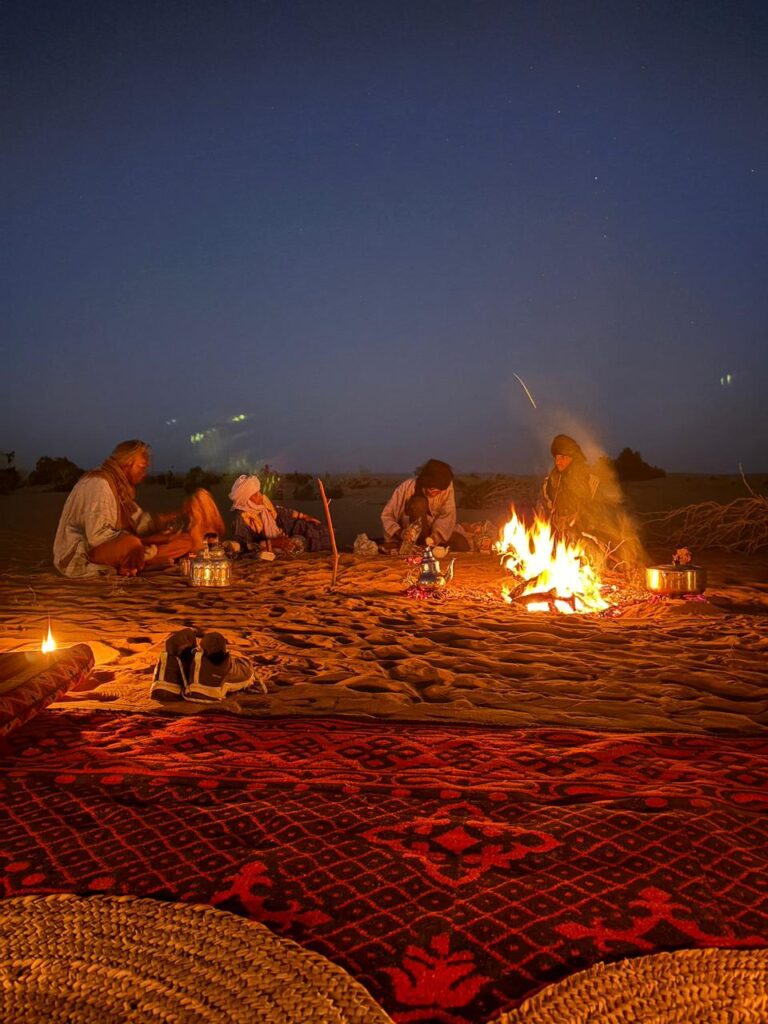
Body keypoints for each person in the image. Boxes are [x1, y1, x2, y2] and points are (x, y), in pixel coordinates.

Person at [53, 440, 222, 578]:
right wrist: (147, 542)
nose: (145, 473)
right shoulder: (100, 484)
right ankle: (142, 560)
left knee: (184, 540)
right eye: (141, 467)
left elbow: (142, 523)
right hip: (86, 552)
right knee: (131, 544)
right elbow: (98, 537)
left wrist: (177, 517)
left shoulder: (121, 488)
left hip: (117, 545)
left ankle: (144, 560)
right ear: (127, 464)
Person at [381, 459, 470, 552]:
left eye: (438, 491)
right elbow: (387, 515)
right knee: (418, 503)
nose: (434, 493)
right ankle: (420, 548)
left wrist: (434, 538)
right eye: (431, 489)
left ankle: (429, 549)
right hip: (411, 538)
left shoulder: (446, 487)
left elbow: (447, 515)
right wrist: (400, 533)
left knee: (460, 543)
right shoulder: (407, 487)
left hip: (434, 536)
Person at [229, 474, 330, 553]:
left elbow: (280, 511)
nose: (260, 496)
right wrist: (274, 543)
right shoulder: (242, 518)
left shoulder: (263, 502)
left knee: (309, 526)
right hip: (268, 547)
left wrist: (305, 516)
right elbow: (244, 546)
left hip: (281, 533)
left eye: (259, 492)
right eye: (255, 494)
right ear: (247, 500)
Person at [540, 434, 597, 539]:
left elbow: (592, 510)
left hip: (581, 534)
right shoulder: (551, 479)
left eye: (562, 457)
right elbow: (544, 505)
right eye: (556, 457)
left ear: (572, 458)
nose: (558, 462)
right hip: (556, 531)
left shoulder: (587, 479)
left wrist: (576, 526)